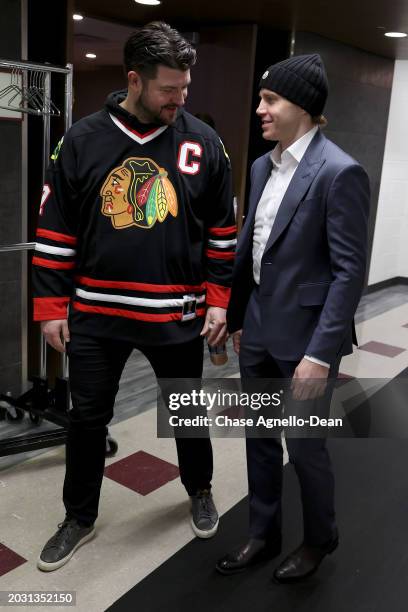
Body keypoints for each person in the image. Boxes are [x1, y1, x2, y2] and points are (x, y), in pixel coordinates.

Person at [32, 21, 236, 572]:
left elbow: (222, 229)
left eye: (185, 87)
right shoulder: (81, 139)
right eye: (169, 89)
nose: (181, 98)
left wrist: (219, 300)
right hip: (96, 314)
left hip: (177, 313)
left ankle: (198, 487)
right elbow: (55, 229)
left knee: (187, 413)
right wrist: (51, 308)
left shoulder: (203, 142)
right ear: (135, 81)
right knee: (87, 420)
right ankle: (78, 516)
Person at [216, 54, 370, 582]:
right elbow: (252, 249)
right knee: (259, 440)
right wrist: (235, 315)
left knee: (304, 451)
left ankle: (320, 538)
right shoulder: (262, 166)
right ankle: (263, 533)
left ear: (301, 107)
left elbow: (349, 273)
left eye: (270, 100)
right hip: (257, 329)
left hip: (305, 342)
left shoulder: (339, 171)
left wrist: (319, 355)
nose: (260, 109)